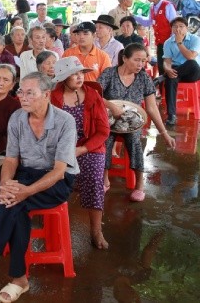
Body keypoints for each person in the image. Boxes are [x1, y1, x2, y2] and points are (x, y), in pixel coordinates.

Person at [0, 73, 78, 303]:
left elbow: (59, 171)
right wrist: (6, 185)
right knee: (14, 204)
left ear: (46, 95)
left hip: (57, 181)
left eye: (30, 93)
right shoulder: (18, 117)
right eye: (21, 92)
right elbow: (10, 160)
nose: (23, 97)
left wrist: (24, 192)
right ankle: (18, 279)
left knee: (18, 201)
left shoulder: (64, 121)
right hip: (25, 175)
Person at [98, 43, 176, 201]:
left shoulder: (143, 78)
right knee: (104, 139)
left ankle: (139, 185)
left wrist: (164, 133)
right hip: (108, 119)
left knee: (135, 140)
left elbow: (152, 108)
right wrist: (111, 105)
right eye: (137, 60)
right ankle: (104, 179)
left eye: (143, 61)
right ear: (125, 59)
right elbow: (94, 95)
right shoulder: (109, 73)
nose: (141, 64)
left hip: (132, 122)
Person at [50, 57, 111, 249]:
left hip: (89, 147)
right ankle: (54, 227)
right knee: (50, 177)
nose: (78, 77)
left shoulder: (92, 95)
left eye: (80, 73)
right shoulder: (52, 98)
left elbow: (103, 131)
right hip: (59, 149)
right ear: (62, 78)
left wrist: (82, 149)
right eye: (73, 74)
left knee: (94, 179)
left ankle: (96, 231)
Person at [161, 17, 200, 126]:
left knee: (191, 63)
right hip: (177, 70)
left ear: (186, 28)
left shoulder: (195, 39)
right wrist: (167, 69)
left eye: (181, 27)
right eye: (175, 27)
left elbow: (190, 56)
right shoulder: (168, 42)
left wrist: (179, 43)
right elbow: (167, 61)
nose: (178, 29)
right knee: (171, 76)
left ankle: (163, 76)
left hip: (193, 71)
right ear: (172, 29)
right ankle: (171, 115)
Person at [143, 0, 176, 75]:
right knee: (161, 66)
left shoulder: (167, 6)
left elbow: (174, 24)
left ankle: (169, 88)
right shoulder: (152, 7)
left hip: (169, 42)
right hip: (160, 43)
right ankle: (162, 88)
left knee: (170, 67)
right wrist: (135, 17)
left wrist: (172, 42)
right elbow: (148, 22)